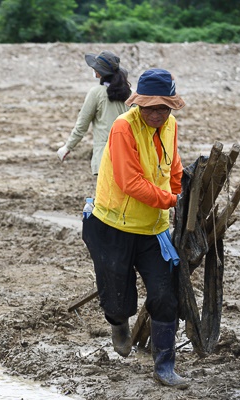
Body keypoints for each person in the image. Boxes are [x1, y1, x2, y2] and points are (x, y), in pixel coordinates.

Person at [81, 69, 189, 389]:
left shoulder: (170, 126)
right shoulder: (122, 127)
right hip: (112, 224)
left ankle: (165, 366)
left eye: (163, 107)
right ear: (138, 104)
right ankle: (118, 324)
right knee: (117, 301)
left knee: (165, 295)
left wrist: (179, 195)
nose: (157, 113)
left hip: (153, 229)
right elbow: (130, 182)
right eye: (151, 108)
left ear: (171, 107)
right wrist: (171, 201)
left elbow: (174, 168)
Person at [57, 50, 132, 175]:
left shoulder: (96, 93)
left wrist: (67, 147)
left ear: (99, 73)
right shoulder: (132, 94)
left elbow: (82, 124)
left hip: (106, 156)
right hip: (129, 158)